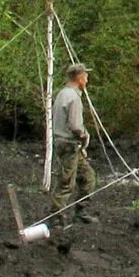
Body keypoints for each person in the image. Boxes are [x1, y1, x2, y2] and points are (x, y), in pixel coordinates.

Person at [49, 62, 98, 226]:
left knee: (88, 177)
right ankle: (56, 218)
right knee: (66, 184)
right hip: (69, 145)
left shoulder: (62, 94)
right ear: (79, 78)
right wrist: (84, 137)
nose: (87, 79)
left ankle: (81, 212)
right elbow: (75, 126)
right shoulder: (73, 98)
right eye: (86, 76)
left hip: (65, 143)